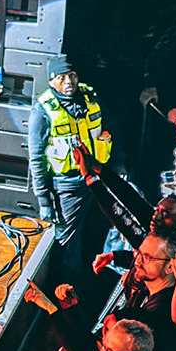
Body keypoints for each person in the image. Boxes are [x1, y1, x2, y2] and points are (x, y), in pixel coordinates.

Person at [27, 56, 112, 301]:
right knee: (68, 242)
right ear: (51, 81)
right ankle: (67, 294)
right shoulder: (43, 111)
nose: (68, 82)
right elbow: (37, 159)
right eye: (61, 78)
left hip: (97, 176)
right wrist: (44, 200)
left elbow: (109, 128)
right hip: (68, 185)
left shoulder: (90, 98)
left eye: (72, 75)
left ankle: (92, 284)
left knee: (98, 230)